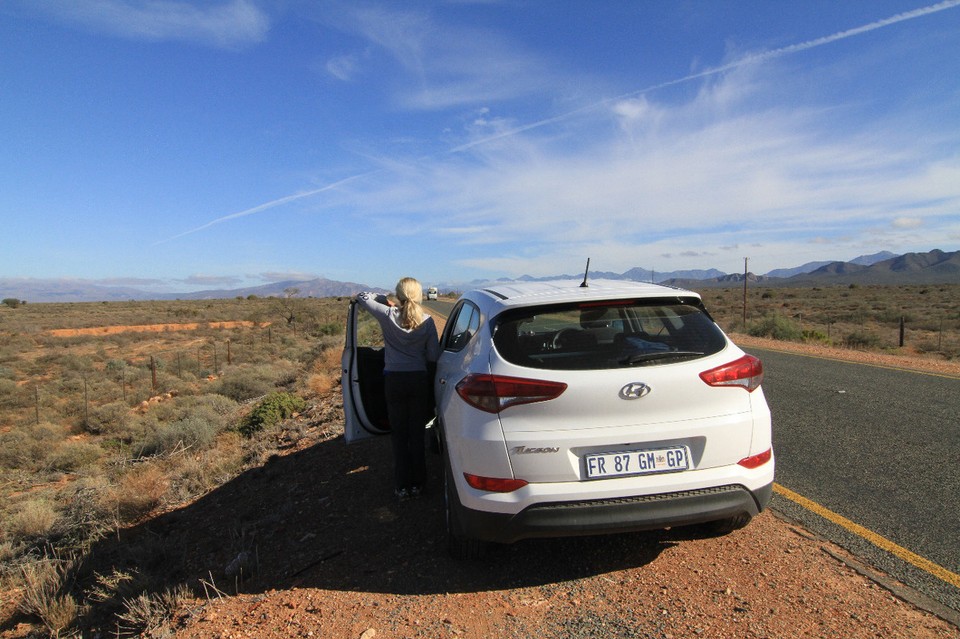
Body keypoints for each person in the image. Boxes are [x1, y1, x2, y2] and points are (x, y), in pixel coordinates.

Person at [355, 277, 440, 501]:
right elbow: (433, 356)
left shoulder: (387, 314)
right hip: (418, 380)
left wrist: (386, 300)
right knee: (417, 434)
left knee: (399, 436)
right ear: (420, 295)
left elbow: (362, 297)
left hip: (394, 381)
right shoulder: (428, 321)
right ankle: (419, 484)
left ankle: (402, 486)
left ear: (399, 295)